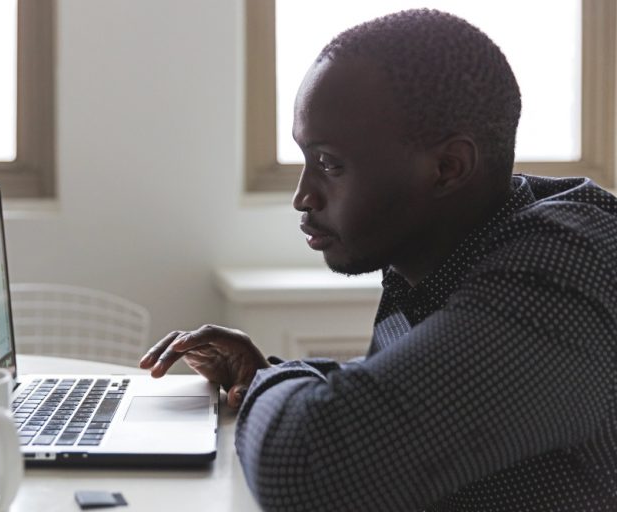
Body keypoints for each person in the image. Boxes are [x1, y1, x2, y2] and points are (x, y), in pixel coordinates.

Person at [140, 9, 617, 511]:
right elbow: (385, 418)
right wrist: (265, 374)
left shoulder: (565, 270)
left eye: (330, 164)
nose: (303, 197)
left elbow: (305, 472)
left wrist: (263, 383)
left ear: (447, 167)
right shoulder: (430, 252)